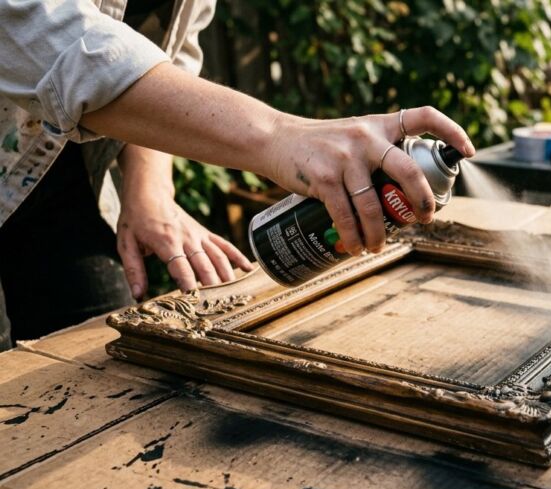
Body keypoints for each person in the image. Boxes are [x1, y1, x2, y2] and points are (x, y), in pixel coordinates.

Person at [0, 0, 475, 353]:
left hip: (63, 185)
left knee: (92, 365)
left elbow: (164, 53)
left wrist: (150, 189)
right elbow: (42, 34)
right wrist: (279, 136)